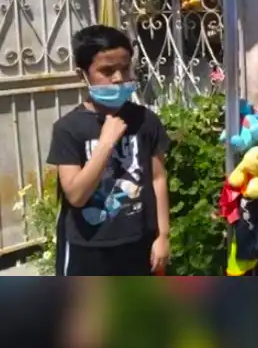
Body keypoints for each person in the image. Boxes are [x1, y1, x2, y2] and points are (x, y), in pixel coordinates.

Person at [49, 25, 171, 276]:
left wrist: (162, 236)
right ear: (81, 74)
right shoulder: (68, 129)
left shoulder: (146, 120)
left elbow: (158, 178)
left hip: (138, 243)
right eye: (106, 71)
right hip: (88, 249)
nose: (118, 78)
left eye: (124, 68)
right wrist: (106, 143)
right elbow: (76, 195)